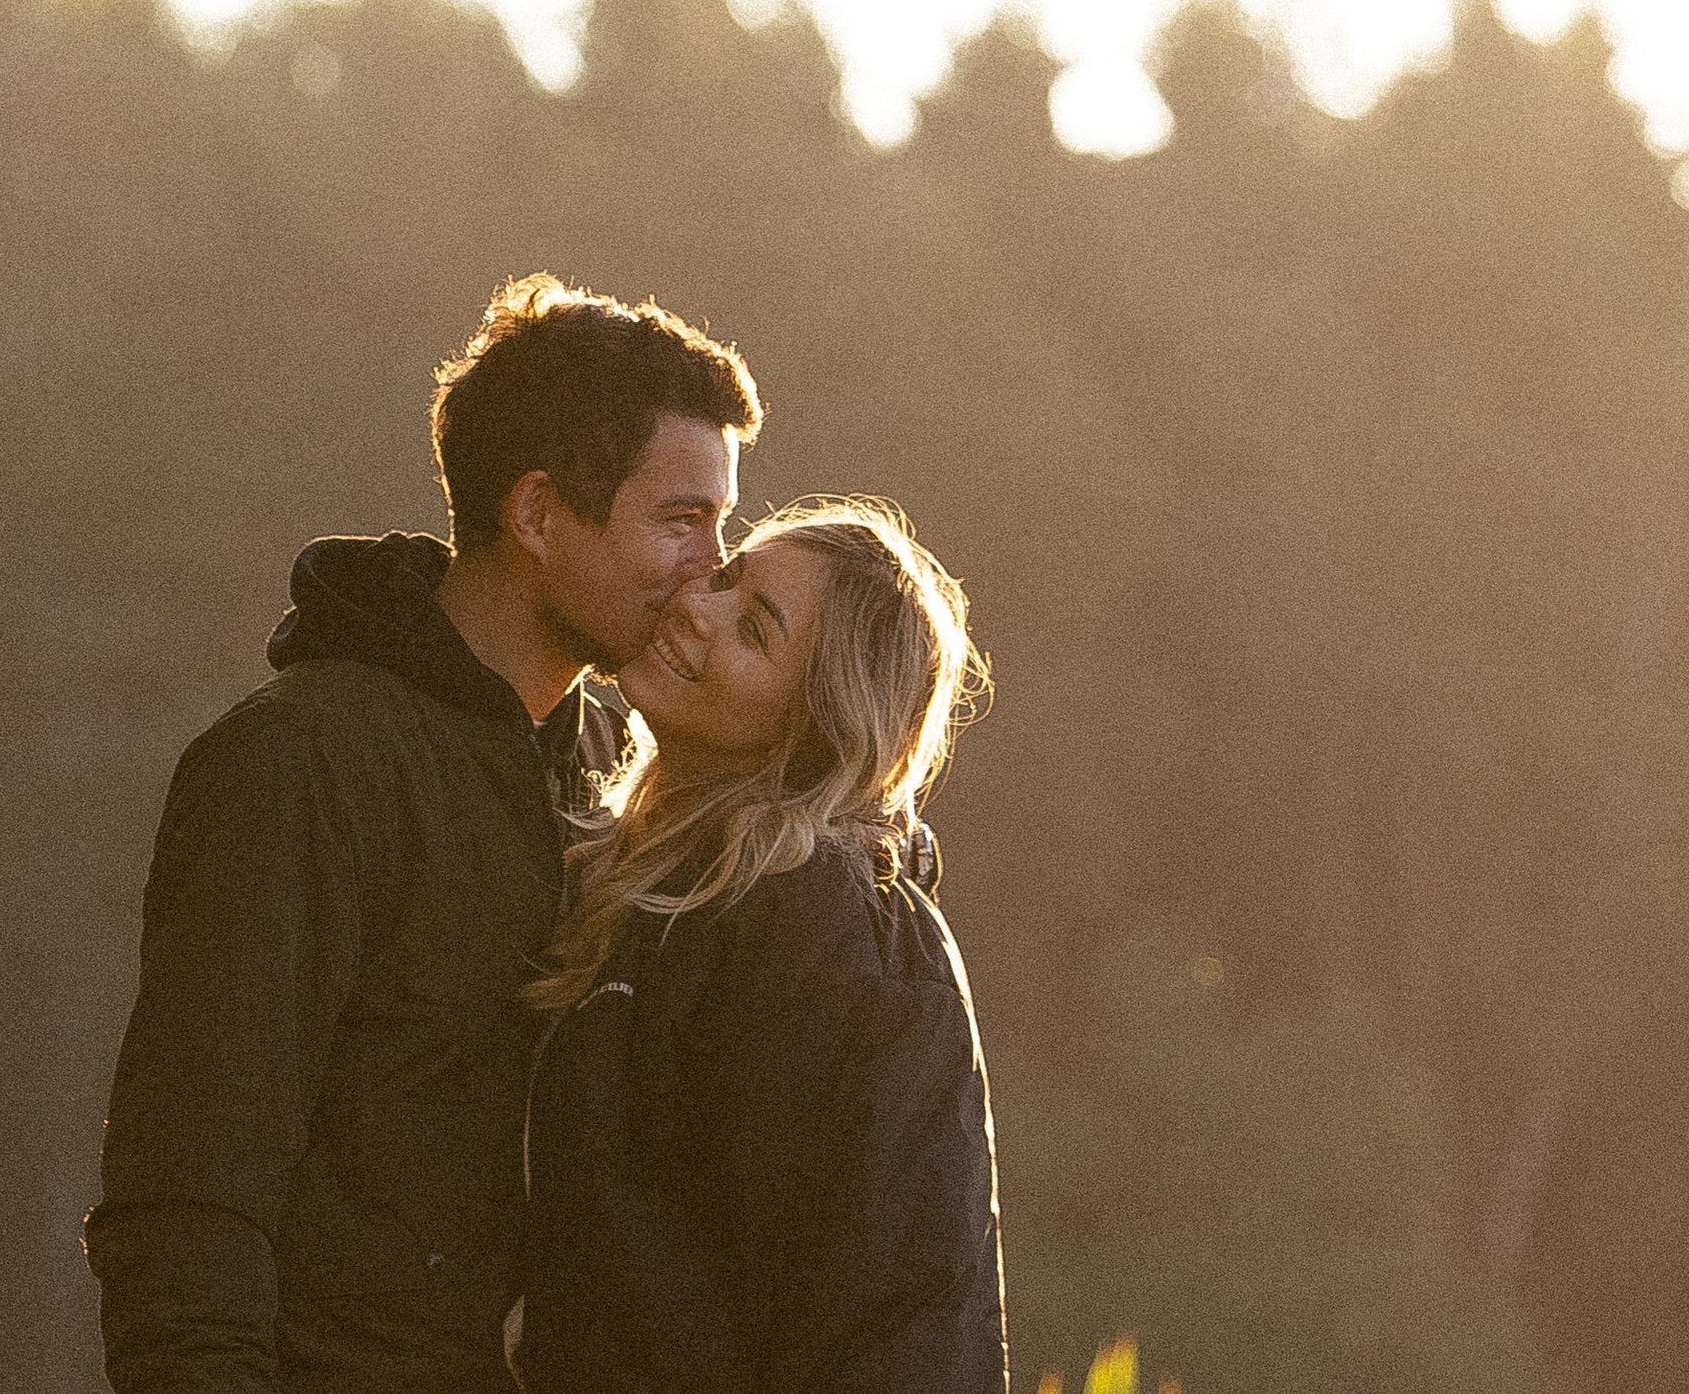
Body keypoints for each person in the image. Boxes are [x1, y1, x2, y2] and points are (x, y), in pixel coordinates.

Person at [85, 274, 764, 1394]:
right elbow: (190, 1187)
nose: (715, 566)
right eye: (681, 520)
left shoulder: (611, 766)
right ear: (537, 515)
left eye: (721, 524)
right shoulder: (302, 761)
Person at [515, 498, 1007, 1394]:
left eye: (753, 630)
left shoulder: (811, 930)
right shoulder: (671, 885)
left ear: (813, 728)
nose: (695, 607)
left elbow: (879, 1313)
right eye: (728, 577)